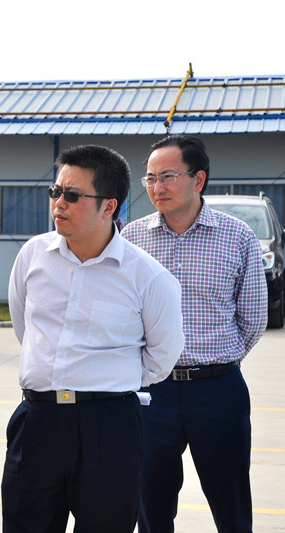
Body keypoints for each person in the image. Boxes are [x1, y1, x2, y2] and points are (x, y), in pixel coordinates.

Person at [2, 144, 184, 533]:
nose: (58, 204)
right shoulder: (33, 256)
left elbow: (161, 357)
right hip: (38, 420)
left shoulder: (147, 276)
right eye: (55, 192)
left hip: (110, 427)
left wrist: (107, 383)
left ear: (108, 207)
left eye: (72, 195)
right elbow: (25, 328)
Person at [121, 134, 267, 533]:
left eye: (167, 176)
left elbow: (254, 318)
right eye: (150, 178)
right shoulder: (132, 239)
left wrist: (216, 360)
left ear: (198, 179)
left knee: (230, 501)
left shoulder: (237, 236)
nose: (157, 187)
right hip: (153, 393)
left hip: (218, 391)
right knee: (150, 502)